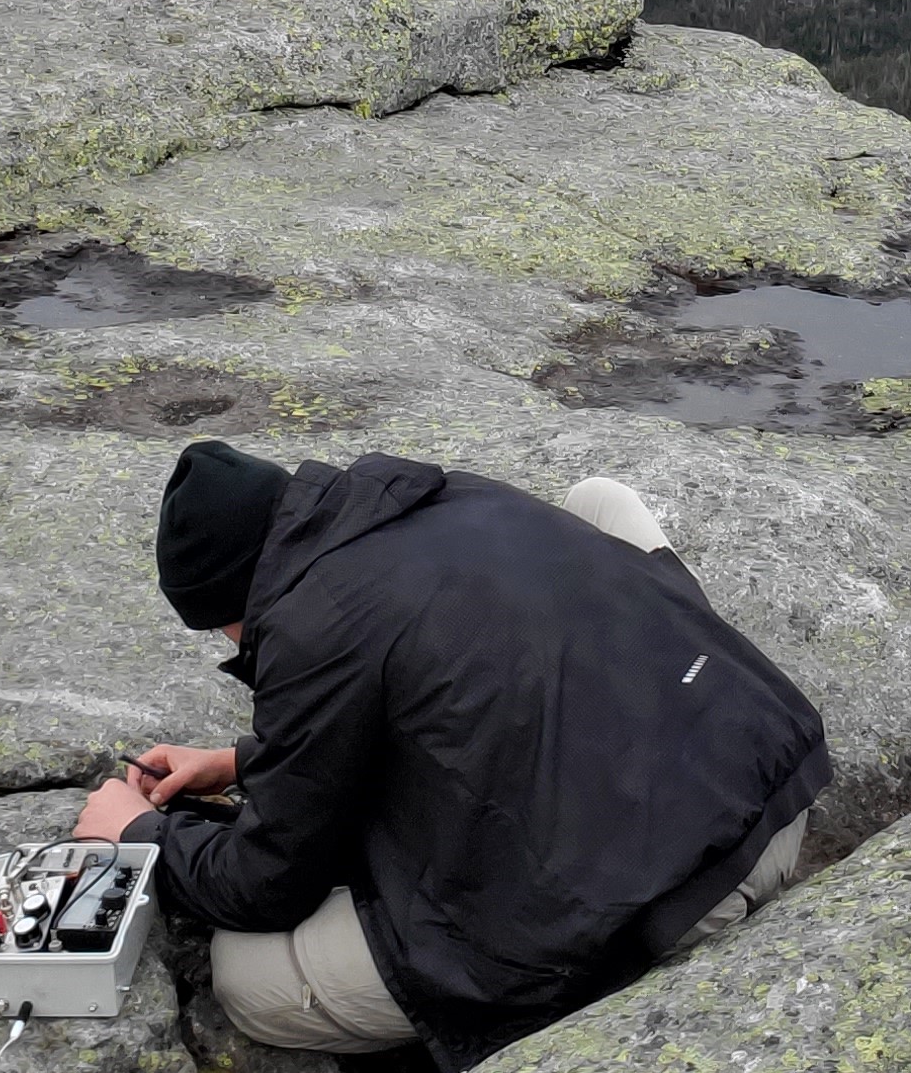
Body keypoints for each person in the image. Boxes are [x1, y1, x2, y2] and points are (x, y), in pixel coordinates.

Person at [73, 442, 829, 1070]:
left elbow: (265, 882)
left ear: (230, 597)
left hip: (684, 892)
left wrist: (137, 834)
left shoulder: (310, 628)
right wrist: (244, 760)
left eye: (222, 627)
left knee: (247, 977)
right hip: (767, 783)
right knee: (596, 499)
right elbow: (454, 682)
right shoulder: (442, 496)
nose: (233, 644)